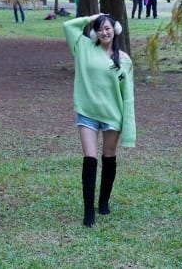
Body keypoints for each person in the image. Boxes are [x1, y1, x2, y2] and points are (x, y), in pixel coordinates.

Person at [62, 13, 136, 227]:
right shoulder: (83, 48)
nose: (105, 32)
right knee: (90, 158)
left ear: (115, 31)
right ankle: (88, 213)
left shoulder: (124, 60)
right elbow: (68, 25)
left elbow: (128, 96)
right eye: (100, 28)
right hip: (87, 113)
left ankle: (103, 202)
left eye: (108, 28)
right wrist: (91, 18)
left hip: (113, 116)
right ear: (95, 32)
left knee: (109, 157)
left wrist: (128, 128)